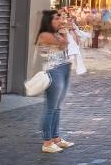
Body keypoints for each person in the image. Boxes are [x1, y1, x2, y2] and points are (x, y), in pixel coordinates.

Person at [36, 10, 74, 154]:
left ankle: (56, 138)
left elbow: (65, 45)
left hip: (63, 69)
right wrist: (64, 31)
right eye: (56, 19)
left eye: (60, 18)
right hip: (53, 71)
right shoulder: (45, 35)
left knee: (57, 107)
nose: (60, 21)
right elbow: (64, 43)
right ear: (49, 21)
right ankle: (47, 142)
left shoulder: (56, 33)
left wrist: (62, 31)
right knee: (50, 108)